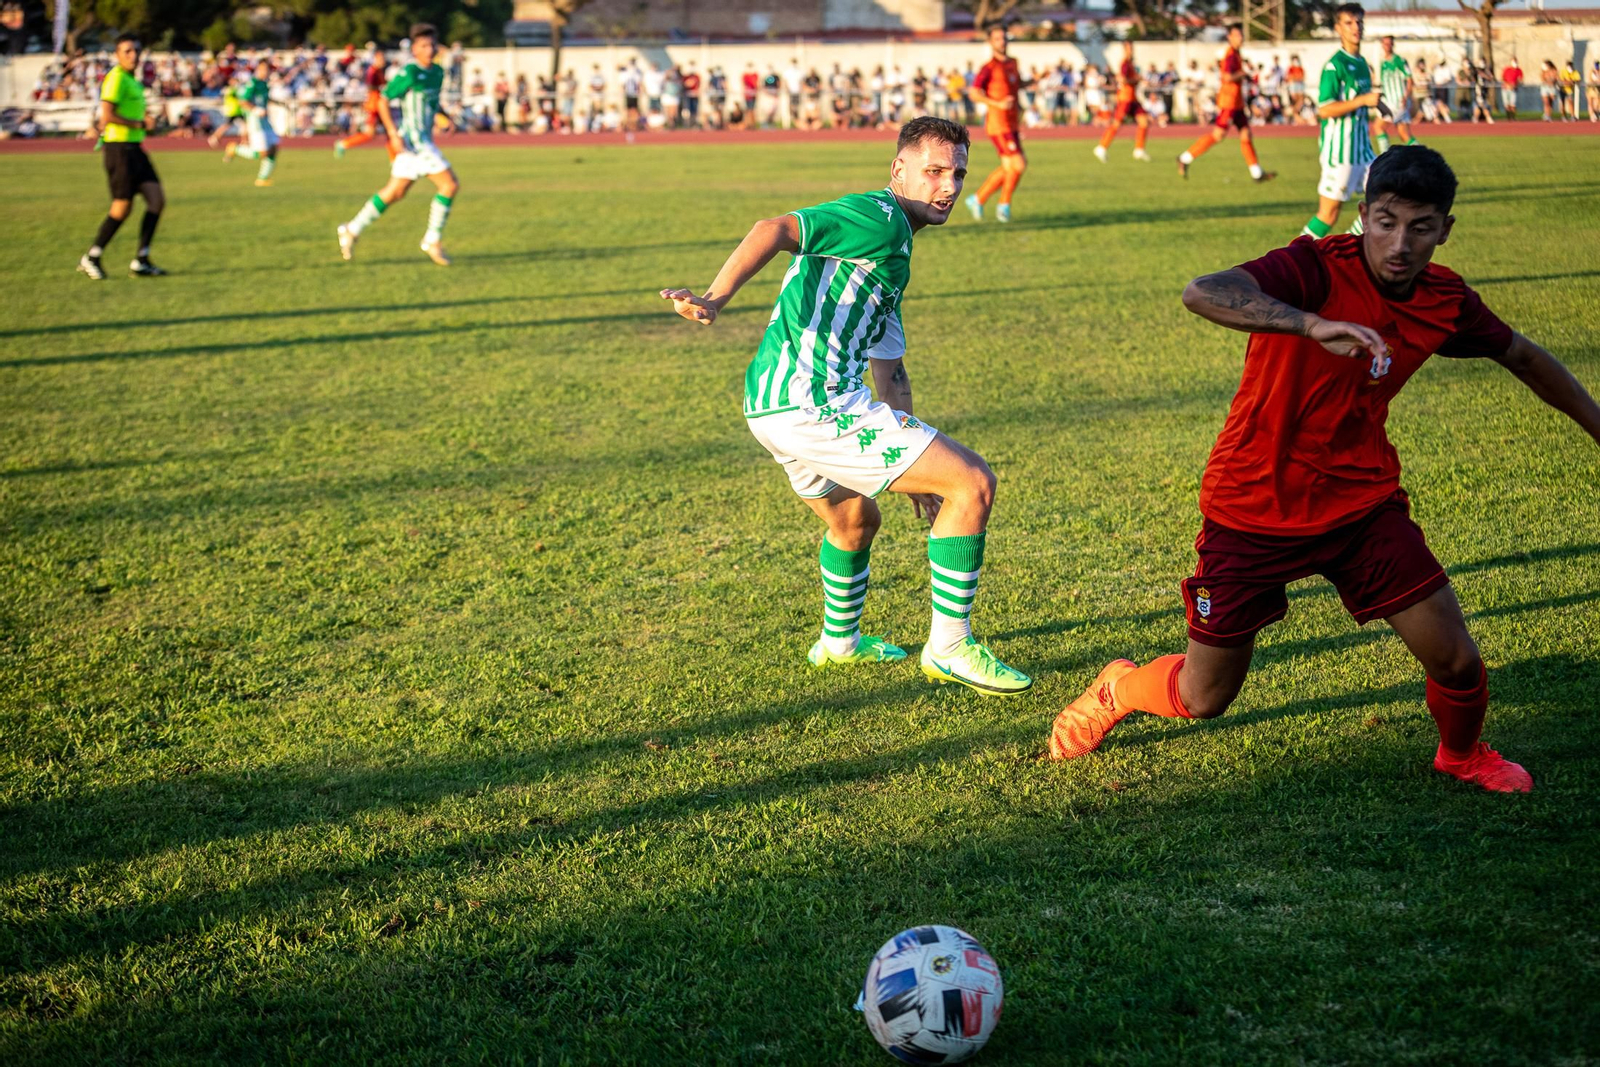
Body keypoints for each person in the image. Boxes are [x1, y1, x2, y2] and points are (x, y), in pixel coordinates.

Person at [1050, 146, 1600, 794]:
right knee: (1205, 696)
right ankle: (1117, 688)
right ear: (1364, 215)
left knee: (1455, 658)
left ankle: (1463, 754)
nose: (1400, 244)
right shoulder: (1313, 268)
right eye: (1386, 222)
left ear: (1445, 230)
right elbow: (1204, 292)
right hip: (1253, 504)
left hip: (1360, 506)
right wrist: (1309, 324)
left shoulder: (1444, 300)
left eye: (1421, 227)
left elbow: (1525, 357)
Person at [657, 117, 1032, 696]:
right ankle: (950, 647)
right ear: (898, 170)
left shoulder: (892, 252)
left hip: (770, 406)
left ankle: (839, 644)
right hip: (815, 404)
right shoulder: (878, 217)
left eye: (958, 174)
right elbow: (775, 228)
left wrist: (917, 460)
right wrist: (714, 298)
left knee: (855, 520)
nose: (948, 186)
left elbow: (891, 370)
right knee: (973, 483)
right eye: (933, 171)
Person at [337, 24, 458, 267]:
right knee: (449, 185)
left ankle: (351, 229)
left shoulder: (437, 72)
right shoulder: (409, 73)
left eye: (432, 44)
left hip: (424, 140)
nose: (430, 49)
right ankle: (432, 240)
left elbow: (432, 103)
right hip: (413, 142)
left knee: (395, 192)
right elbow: (383, 100)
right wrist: (393, 134)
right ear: (414, 49)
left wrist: (443, 117)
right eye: (424, 45)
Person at [79, 33, 165, 279]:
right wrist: (140, 123)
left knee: (157, 200)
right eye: (127, 51)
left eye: (136, 50)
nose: (133, 55)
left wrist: (148, 122)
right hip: (119, 149)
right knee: (121, 207)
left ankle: (142, 260)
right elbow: (107, 116)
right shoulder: (116, 78)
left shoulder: (132, 80)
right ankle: (92, 256)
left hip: (135, 148)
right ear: (117, 55)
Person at [1301, 4, 1380, 239]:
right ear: (1338, 28)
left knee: (1385, 200)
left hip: (1363, 149)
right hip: (1340, 151)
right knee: (1328, 215)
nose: (1356, 27)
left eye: (1359, 22)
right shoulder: (1335, 65)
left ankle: (1345, 248)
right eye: (1349, 23)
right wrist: (1363, 100)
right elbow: (1325, 109)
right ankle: (1290, 259)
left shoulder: (1362, 63)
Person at [1177, 25, 1273, 183]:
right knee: (1218, 135)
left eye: (1241, 35)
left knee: (1246, 135)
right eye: (1237, 36)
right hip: (1228, 102)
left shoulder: (1237, 54)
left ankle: (1256, 173)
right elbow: (1227, 77)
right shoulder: (1229, 55)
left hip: (1237, 103)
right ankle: (1185, 158)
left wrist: (1245, 76)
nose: (1240, 38)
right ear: (1229, 37)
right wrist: (1242, 73)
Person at [963, 24, 1028, 223]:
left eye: (1004, 37)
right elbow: (974, 93)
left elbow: (1016, 85)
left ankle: (978, 199)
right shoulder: (989, 67)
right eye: (998, 39)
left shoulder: (1013, 63)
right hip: (998, 124)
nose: (1003, 42)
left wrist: (1034, 81)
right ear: (990, 42)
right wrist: (997, 103)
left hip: (1012, 122)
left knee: (1010, 167)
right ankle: (1003, 205)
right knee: (1019, 164)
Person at [224, 58, 279, 186]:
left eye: (268, 69)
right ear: (258, 69)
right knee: (261, 153)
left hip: (265, 120)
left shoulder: (264, 84)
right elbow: (242, 101)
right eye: (263, 69)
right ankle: (235, 149)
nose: (266, 72)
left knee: (274, 147)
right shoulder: (252, 83)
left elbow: (264, 100)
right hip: (255, 120)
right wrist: (255, 109)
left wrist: (278, 103)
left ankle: (262, 178)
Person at [1094, 42, 1150, 163]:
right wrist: (1136, 79)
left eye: (1132, 48)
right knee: (1117, 123)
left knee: (1144, 121)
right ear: (1124, 50)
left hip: (1133, 98)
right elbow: (1123, 79)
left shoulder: (1130, 63)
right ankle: (1102, 147)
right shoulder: (1124, 63)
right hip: (1125, 98)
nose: (1131, 51)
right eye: (1129, 49)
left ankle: (1139, 149)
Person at [335, 48, 389, 158]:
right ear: (375, 58)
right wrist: (383, 88)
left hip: (380, 104)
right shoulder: (373, 71)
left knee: (389, 132)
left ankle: (395, 158)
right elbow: (370, 86)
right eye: (381, 58)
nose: (383, 60)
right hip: (374, 105)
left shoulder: (379, 71)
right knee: (372, 133)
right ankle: (343, 144)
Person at [1375, 36, 1418, 150]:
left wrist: (1406, 97)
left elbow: (1410, 80)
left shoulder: (1400, 61)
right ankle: (1421, 155)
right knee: (1404, 135)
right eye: (1385, 44)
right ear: (1382, 45)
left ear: (1393, 45)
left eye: (1389, 44)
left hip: (1397, 102)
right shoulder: (1383, 62)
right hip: (1388, 101)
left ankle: (1385, 157)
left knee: (1379, 127)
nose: (1387, 46)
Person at [1500, 56, 1523, 120]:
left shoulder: (1519, 70)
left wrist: (1515, 84)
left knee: (1513, 104)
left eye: (1515, 61)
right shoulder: (1507, 69)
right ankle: (1508, 117)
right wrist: (1508, 84)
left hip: (1513, 89)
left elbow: (1520, 79)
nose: (1514, 63)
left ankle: (1513, 117)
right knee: (1506, 104)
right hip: (1505, 89)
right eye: (1513, 61)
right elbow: (1502, 78)